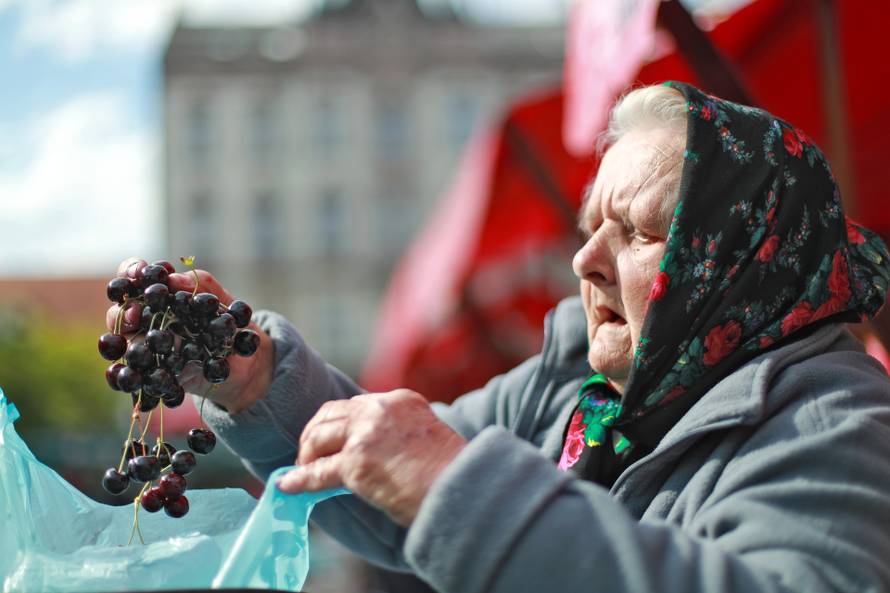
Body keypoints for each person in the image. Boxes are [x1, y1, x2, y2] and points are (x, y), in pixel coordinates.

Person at [108, 82, 890, 593]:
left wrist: (458, 485)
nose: (584, 259)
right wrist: (255, 378)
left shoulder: (837, 421)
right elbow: (388, 474)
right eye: (590, 229)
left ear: (742, 256)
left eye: (639, 231)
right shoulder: (566, 387)